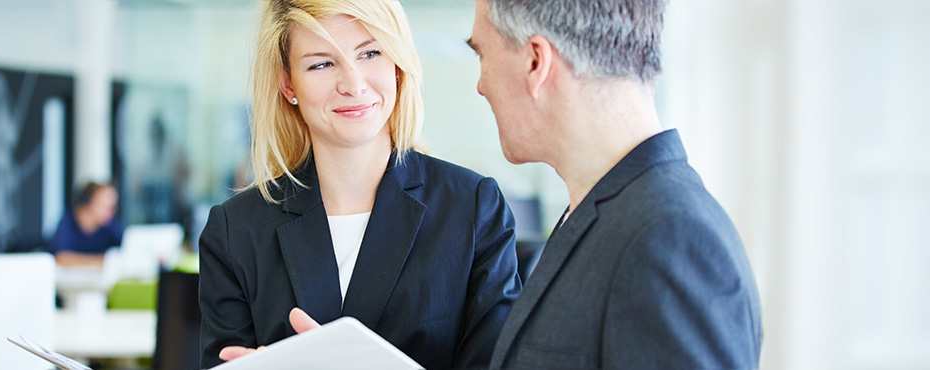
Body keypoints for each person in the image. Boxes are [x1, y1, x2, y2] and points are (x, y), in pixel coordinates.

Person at [196, 0, 523, 369]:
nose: (353, 83)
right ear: (288, 83)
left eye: (370, 53)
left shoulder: (472, 209)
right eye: (321, 63)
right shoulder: (235, 231)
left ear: (397, 64)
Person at [464, 0, 765, 368]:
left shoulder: (668, 239)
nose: (480, 85)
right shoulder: (607, 211)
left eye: (481, 54)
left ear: (535, 62)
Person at [48, 182, 125, 267]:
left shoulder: (110, 225)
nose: (111, 211)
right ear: (88, 202)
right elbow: (61, 258)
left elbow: (125, 249)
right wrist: (99, 261)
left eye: (113, 206)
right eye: (106, 205)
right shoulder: (68, 223)